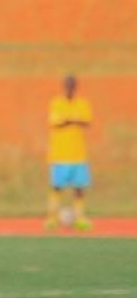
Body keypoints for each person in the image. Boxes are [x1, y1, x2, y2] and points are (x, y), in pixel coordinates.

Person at [45, 74, 93, 231]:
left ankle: (80, 218)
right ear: (63, 86)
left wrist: (70, 119)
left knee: (79, 189)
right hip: (60, 154)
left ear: (76, 86)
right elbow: (56, 121)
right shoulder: (56, 103)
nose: (70, 88)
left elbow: (86, 120)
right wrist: (73, 119)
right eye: (67, 85)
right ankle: (52, 218)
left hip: (78, 154)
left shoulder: (82, 103)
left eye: (72, 85)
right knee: (56, 187)